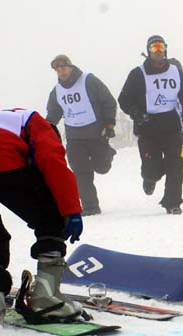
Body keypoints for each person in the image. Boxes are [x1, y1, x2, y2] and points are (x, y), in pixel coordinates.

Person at [0, 109, 84, 330]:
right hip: (2, 160)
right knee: (50, 217)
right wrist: (70, 210)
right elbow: (51, 160)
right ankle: (46, 297)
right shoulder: (35, 122)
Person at [118, 35, 183, 215]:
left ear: (166, 49)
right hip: (147, 128)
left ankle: (173, 202)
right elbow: (124, 99)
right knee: (153, 170)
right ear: (148, 51)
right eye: (154, 48)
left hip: (170, 126)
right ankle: (149, 178)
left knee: (174, 164)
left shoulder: (175, 71)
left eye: (160, 47)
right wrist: (136, 113)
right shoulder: (138, 73)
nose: (158, 51)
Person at [46, 54, 117, 216]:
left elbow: (108, 101)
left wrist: (110, 123)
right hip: (74, 138)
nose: (61, 72)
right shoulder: (56, 91)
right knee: (80, 172)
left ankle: (108, 154)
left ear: (71, 67)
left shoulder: (88, 80)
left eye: (63, 68)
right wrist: (46, 131)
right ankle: (90, 206)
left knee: (102, 168)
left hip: (96, 134)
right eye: (58, 70)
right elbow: (53, 115)